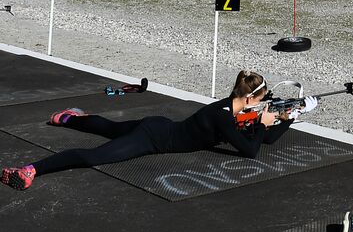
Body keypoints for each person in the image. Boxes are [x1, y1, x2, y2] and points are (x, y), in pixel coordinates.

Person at [1, 70, 312, 190]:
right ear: (248, 98)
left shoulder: (235, 110)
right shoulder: (223, 117)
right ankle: (30, 169)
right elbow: (252, 149)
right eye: (260, 100)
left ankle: (68, 118)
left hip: (159, 127)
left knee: (110, 127)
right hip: (153, 139)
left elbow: (267, 137)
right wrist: (262, 124)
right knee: (96, 156)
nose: (261, 105)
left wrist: (290, 118)